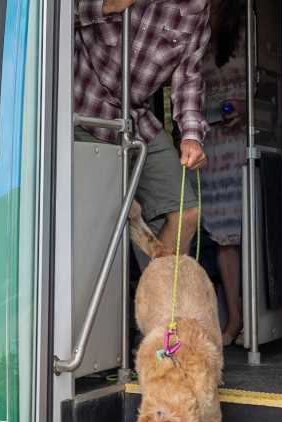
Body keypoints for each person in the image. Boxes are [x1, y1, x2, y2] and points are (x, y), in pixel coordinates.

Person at [74, 0, 212, 255]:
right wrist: (105, 6)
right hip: (82, 108)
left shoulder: (197, 6)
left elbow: (188, 77)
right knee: (95, 223)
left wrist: (191, 135)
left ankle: (159, 283)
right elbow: (49, 16)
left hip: (135, 117)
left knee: (185, 212)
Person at [198, 0, 248, 344]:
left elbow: (269, 79)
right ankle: (234, 320)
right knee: (222, 236)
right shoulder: (193, 23)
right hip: (208, 143)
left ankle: (257, 318)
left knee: (252, 230)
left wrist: (247, 104)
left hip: (245, 140)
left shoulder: (246, 25)